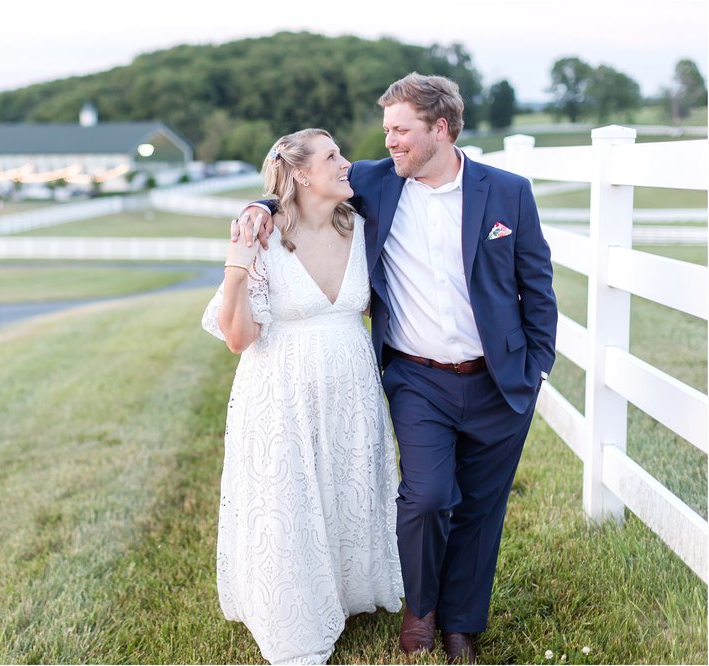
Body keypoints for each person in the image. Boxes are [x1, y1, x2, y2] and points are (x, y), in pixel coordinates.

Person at [234, 73, 558, 664]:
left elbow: (537, 287)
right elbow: (298, 179)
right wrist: (258, 205)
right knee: (429, 497)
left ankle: (462, 622)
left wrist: (536, 366)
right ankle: (421, 608)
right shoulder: (378, 183)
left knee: (482, 508)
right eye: (386, 130)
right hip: (417, 379)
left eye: (400, 130)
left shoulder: (508, 192)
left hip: (499, 381)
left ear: (441, 128)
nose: (388, 142)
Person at [202, 128, 404, 664]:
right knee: (289, 498)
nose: (346, 163)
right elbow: (238, 338)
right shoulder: (261, 238)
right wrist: (238, 266)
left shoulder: (363, 227)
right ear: (300, 173)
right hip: (280, 391)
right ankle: (295, 615)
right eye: (332, 156)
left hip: (352, 390)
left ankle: (343, 591)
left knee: (346, 486)